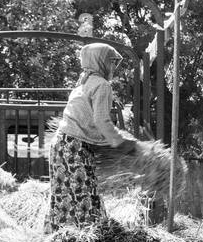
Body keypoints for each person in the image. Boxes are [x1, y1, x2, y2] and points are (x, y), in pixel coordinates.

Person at [46, 42, 136, 231]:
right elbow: (102, 121)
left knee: (63, 197)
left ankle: (60, 241)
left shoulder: (83, 83)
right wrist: (121, 143)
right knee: (86, 197)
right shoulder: (102, 85)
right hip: (75, 148)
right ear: (99, 62)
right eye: (111, 62)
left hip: (61, 145)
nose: (114, 68)